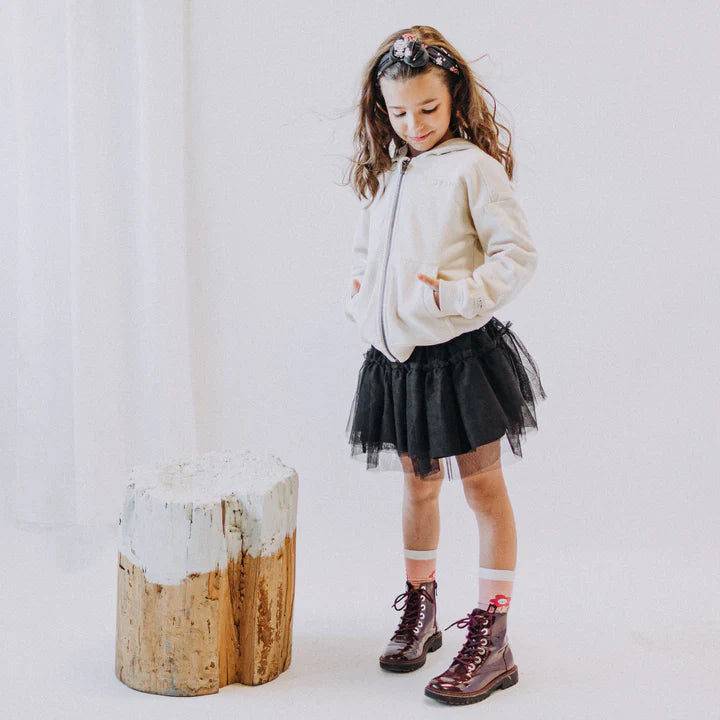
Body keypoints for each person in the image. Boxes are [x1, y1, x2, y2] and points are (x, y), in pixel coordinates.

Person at [341, 26, 548, 705]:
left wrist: (455, 296)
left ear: (453, 96)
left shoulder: (471, 167)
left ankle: (493, 633)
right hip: (398, 359)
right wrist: (364, 295)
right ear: (382, 110)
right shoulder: (391, 169)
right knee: (418, 486)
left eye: (428, 109)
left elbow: (515, 254)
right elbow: (372, 255)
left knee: (482, 488)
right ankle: (420, 608)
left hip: (459, 356)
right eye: (399, 112)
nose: (414, 124)